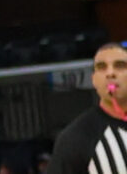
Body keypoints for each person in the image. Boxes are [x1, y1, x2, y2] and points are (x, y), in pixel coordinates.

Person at [51, 42, 127, 174]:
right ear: (94, 80)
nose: (110, 73)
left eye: (119, 66)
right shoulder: (76, 138)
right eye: (101, 67)